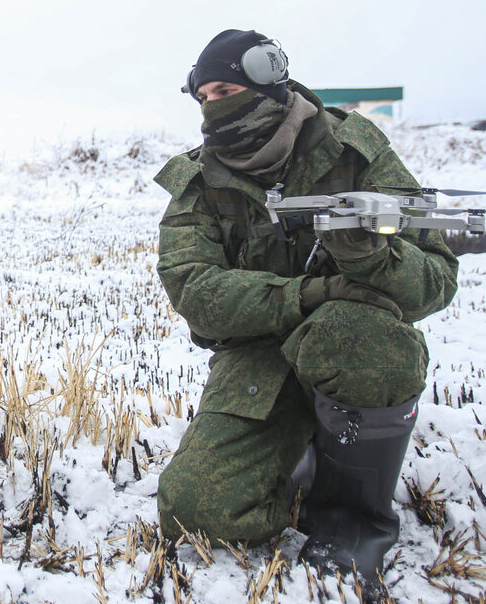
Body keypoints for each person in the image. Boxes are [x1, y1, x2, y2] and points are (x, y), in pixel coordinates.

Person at [154, 30, 458, 590]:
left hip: (353, 336)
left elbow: (435, 281)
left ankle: (354, 520)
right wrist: (309, 295)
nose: (216, 105)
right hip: (259, 354)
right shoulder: (199, 180)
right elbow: (194, 290)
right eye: (206, 95)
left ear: (267, 81)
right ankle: (299, 456)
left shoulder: (354, 151)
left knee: (364, 339)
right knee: (195, 513)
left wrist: (372, 259)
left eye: (228, 88)